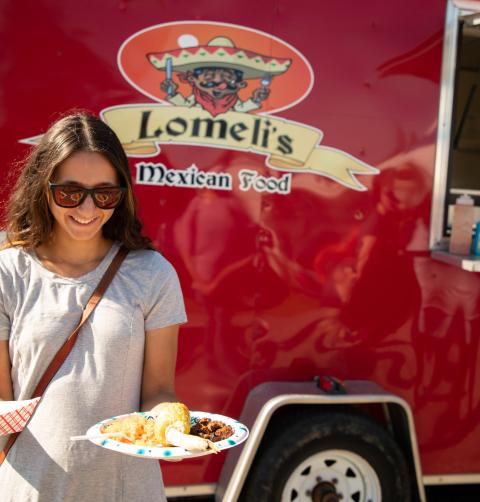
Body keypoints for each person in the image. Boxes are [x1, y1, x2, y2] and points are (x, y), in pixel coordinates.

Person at [0, 112, 187, 501]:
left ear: (122, 194)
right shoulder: (8, 272)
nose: (87, 210)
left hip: (127, 490)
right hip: (29, 489)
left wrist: (171, 426)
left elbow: (157, 390)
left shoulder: (152, 274)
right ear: (42, 187)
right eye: (70, 192)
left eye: (104, 194)